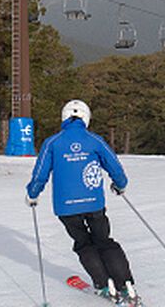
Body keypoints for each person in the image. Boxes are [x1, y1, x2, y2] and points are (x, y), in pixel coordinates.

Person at [26, 100, 138, 304]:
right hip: (94, 203)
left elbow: (40, 174)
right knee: (104, 241)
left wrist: (33, 194)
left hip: (66, 207)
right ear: (86, 117)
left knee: (84, 244)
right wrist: (120, 185)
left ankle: (104, 284)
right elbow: (115, 167)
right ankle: (125, 283)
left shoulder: (52, 142)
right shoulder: (94, 140)